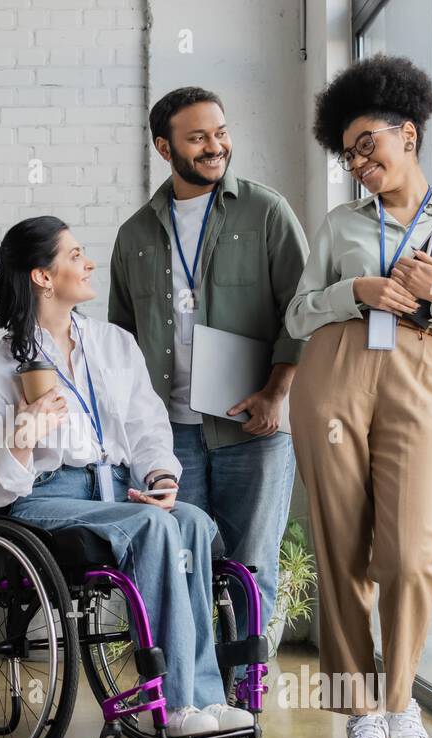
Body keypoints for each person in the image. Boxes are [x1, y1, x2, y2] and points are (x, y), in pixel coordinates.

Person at [286, 55, 432, 738]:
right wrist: (353, 289)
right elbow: (296, 314)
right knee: (340, 548)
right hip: (336, 372)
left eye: (367, 144)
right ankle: (360, 716)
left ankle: (401, 702)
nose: (357, 162)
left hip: (421, 368)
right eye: (348, 152)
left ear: (407, 135)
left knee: (411, 553)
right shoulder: (338, 225)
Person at [0, 216, 251, 737]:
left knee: (186, 520)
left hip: (118, 488)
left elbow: (146, 428)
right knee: (154, 528)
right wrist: (23, 436)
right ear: (42, 277)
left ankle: (206, 698)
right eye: (74, 255)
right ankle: (177, 702)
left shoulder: (114, 344)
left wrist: (162, 477)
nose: (88, 262)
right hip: (44, 500)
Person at [108, 87, 308, 665]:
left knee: (251, 564)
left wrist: (277, 393)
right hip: (170, 436)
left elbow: (302, 308)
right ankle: (192, 692)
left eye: (220, 132)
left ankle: (244, 694)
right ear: (164, 147)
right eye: (197, 137)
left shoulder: (265, 212)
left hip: (254, 426)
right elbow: (120, 341)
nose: (215, 146)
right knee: (179, 560)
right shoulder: (135, 235)